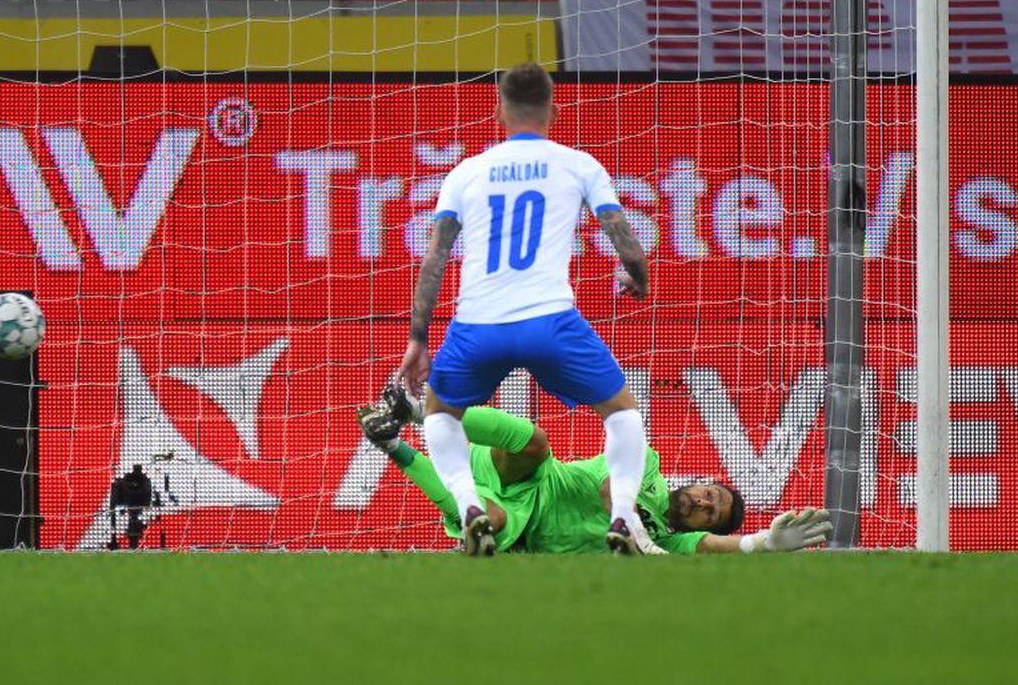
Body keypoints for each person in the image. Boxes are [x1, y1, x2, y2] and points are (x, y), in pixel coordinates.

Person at [399, 63, 661, 555]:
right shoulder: (579, 164)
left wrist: (418, 338)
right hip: (551, 322)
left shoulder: (466, 171)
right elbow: (626, 243)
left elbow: (435, 258)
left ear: (499, 112)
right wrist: (637, 280)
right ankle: (624, 518)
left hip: (477, 324)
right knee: (621, 413)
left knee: (439, 415)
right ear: (554, 111)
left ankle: (470, 508)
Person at [357, 384, 832, 555]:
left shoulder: (669, 544)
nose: (704, 503)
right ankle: (420, 411)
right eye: (711, 493)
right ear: (700, 480)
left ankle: (395, 445)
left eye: (710, 512)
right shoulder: (649, 466)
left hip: (524, 525)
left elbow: (710, 547)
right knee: (535, 443)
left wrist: (762, 543)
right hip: (533, 477)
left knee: (486, 521)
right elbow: (610, 489)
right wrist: (634, 535)